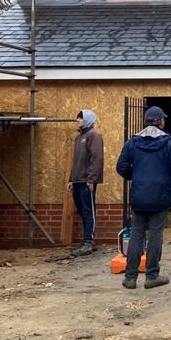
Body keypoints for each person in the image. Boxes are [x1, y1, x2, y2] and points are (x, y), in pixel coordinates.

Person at [116, 105, 171, 289]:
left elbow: (121, 167)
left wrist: (136, 177)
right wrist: (167, 180)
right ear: (161, 121)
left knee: (137, 234)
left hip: (139, 195)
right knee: (156, 234)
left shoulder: (133, 142)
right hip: (161, 195)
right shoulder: (170, 142)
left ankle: (130, 278)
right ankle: (152, 276)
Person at [66, 109, 103, 257]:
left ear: (87, 119)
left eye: (80, 118)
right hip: (78, 180)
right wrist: (71, 179)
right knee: (82, 211)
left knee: (89, 211)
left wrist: (92, 179)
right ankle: (86, 240)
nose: (78, 121)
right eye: (77, 118)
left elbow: (97, 158)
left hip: (87, 181)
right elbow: (76, 161)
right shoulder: (79, 138)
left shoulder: (94, 136)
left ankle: (88, 242)